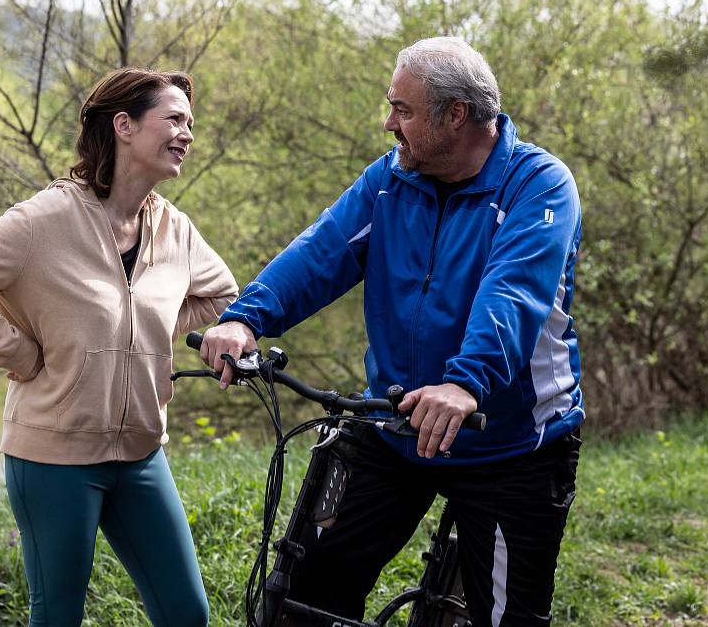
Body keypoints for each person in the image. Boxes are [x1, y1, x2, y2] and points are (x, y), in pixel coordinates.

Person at [201, 37, 583, 626]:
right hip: (396, 423)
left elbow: (514, 291)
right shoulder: (389, 181)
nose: (388, 123)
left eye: (402, 110)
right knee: (304, 589)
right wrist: (246, 316)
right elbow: (321, 252)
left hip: (510, 444)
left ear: (455, 115)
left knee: (507, 619)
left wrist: (466, 383)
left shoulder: (538, 185)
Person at [0, 68, 238, 627]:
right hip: (53, 458)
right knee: (57, 615)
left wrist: (150, 330)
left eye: (191, 123)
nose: (188, 134)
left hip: (141, 454)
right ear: (124, 125)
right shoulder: (44, 220)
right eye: (175, 119)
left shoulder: (175, 230)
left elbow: (224, 295)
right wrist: (18, 353)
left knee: (187, 613)